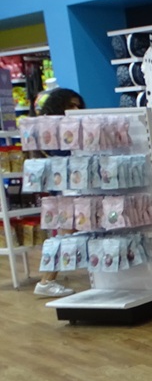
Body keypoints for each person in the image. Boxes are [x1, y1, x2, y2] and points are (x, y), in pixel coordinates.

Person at [33, 88, 85, 298]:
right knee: (65, 235)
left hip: (73, 186)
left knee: (67, 234)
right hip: (67, 188)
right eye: (71, 105)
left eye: (78, 106)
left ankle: (47, 280)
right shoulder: (55, 131)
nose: (76, 110)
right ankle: (47, 280)